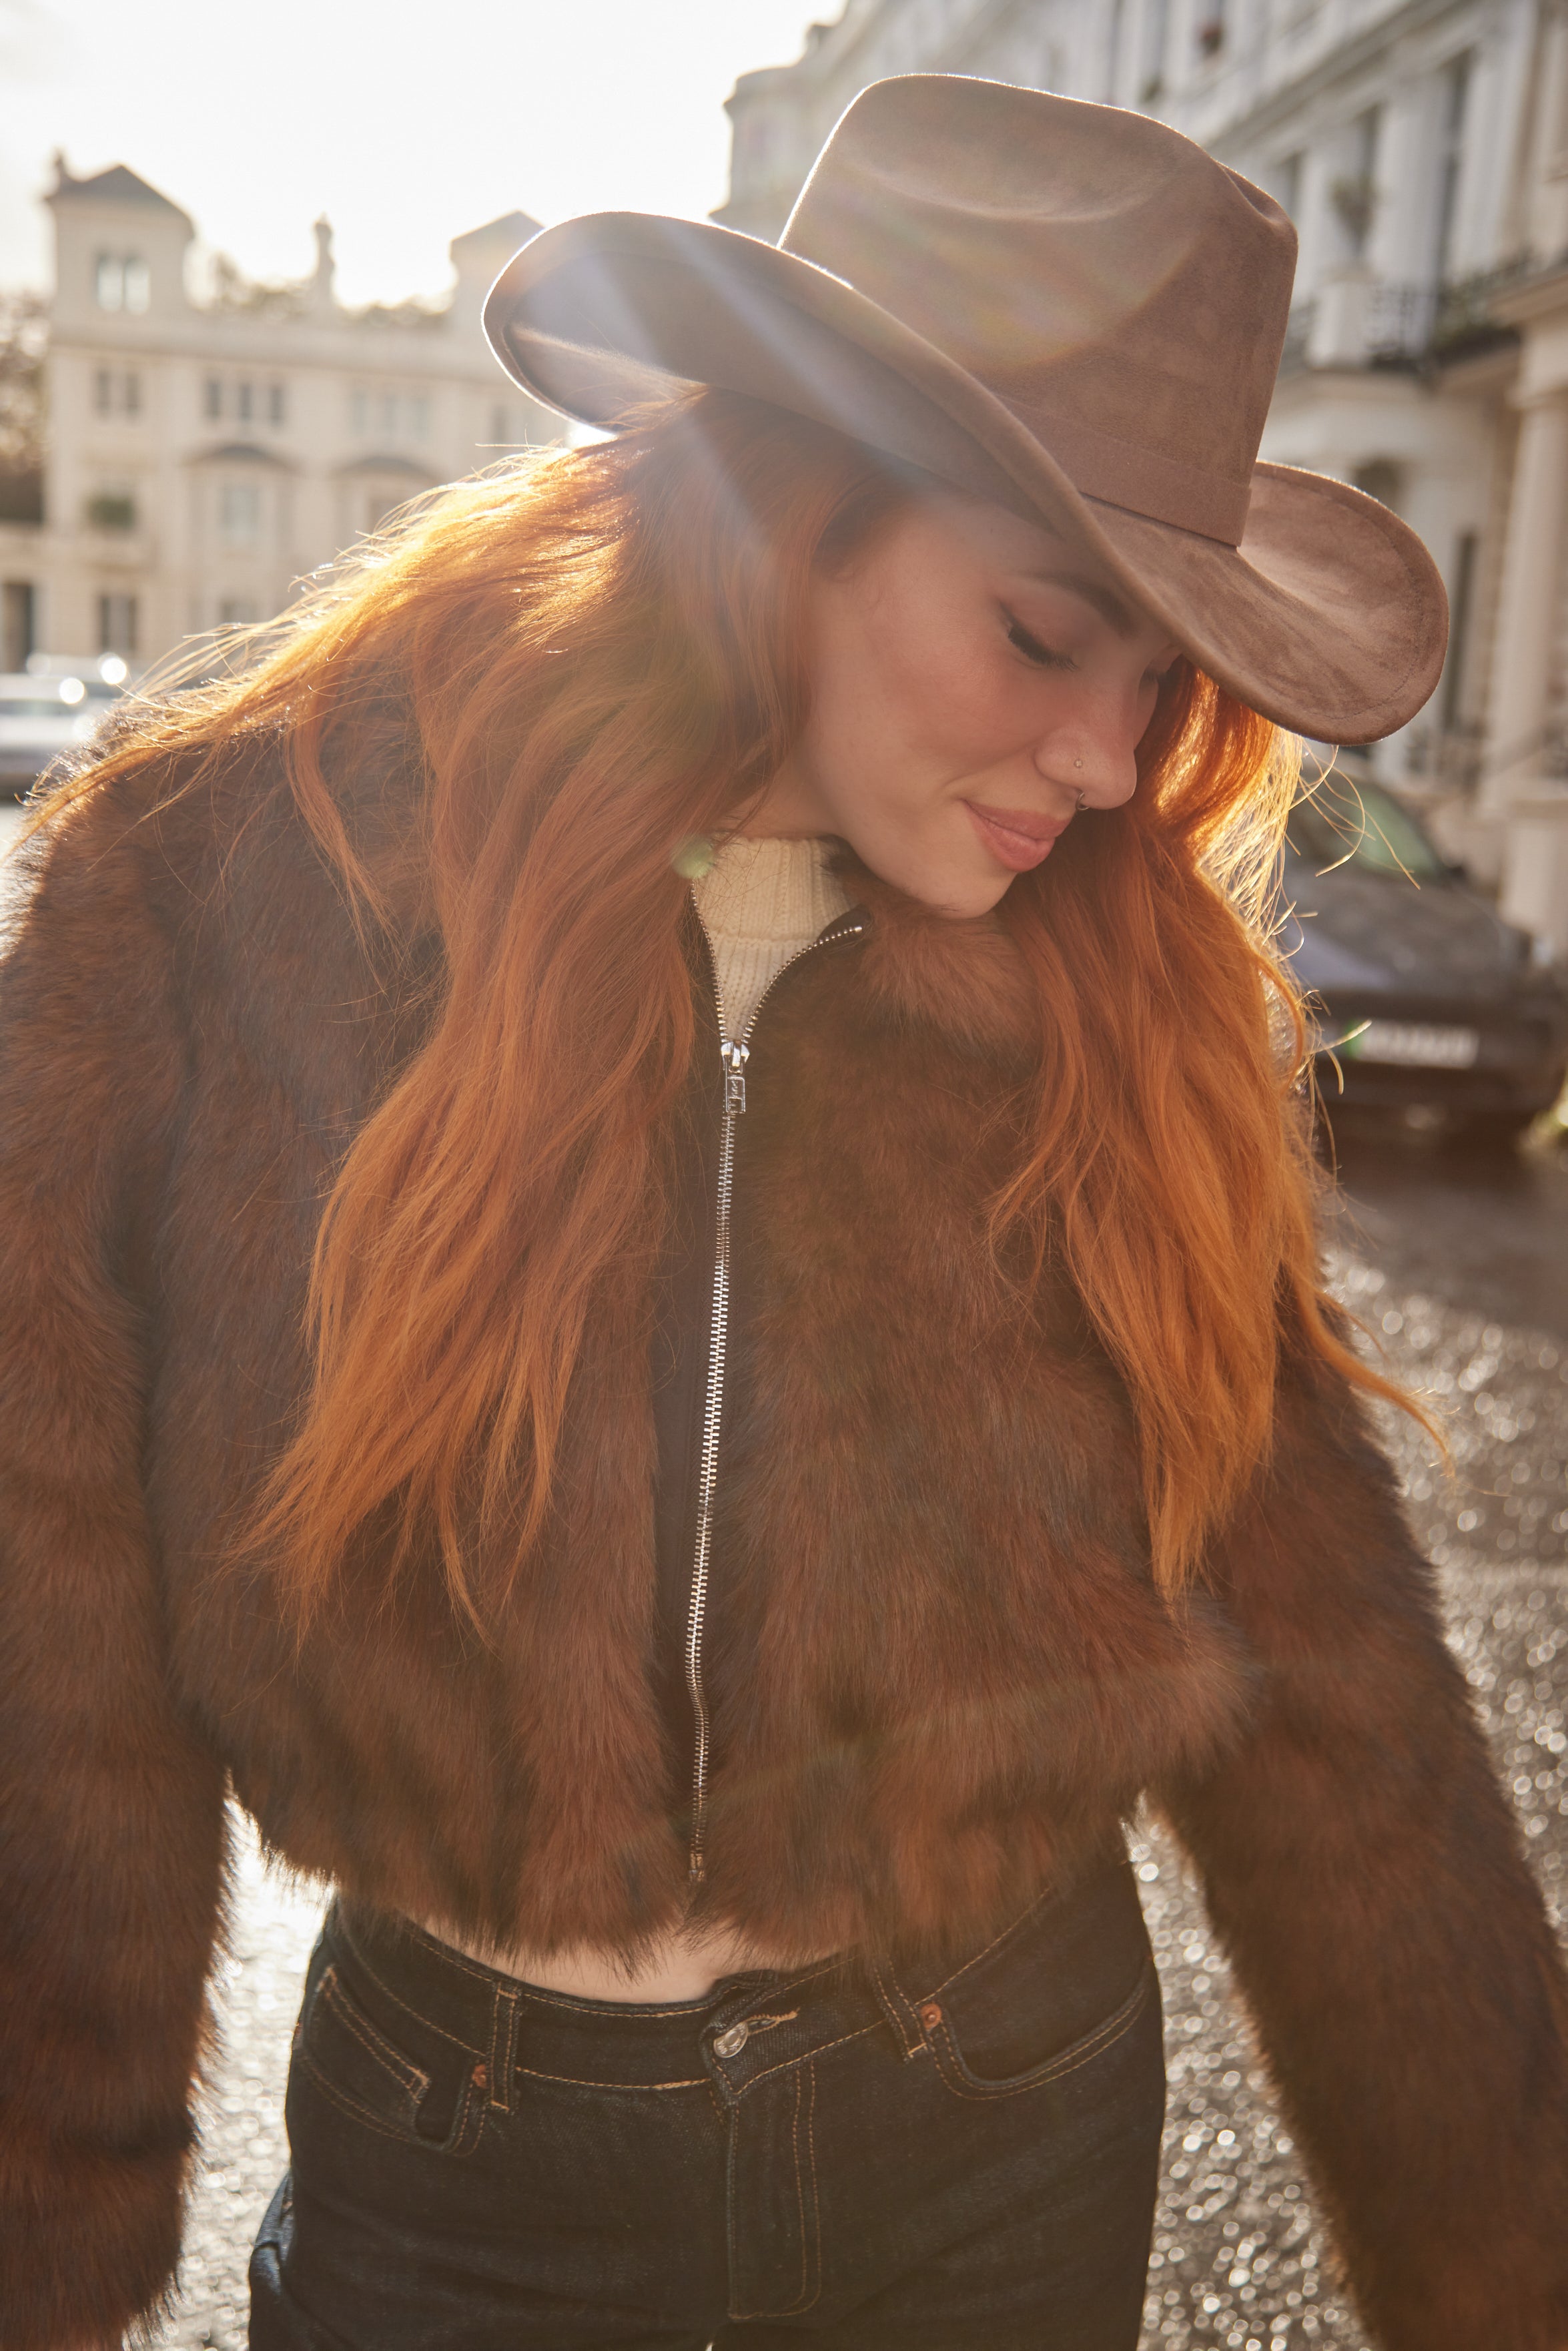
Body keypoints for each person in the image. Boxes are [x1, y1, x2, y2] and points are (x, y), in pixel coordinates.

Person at [0, 73, 1564, 2351]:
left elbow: (1333, 1670)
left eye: (1159, 680)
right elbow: (45, 1600)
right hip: (460, 2150)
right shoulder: (229, 884)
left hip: (994, 2110)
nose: (1118, 767)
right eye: (1045, 634)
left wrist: (1506, 2268)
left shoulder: (1125, 992)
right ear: (784, 513)